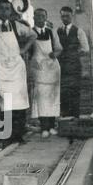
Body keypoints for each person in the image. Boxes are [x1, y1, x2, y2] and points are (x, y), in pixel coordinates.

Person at [0, 0, 36, 145]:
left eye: (7, 9)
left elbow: (33, 35)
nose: (4, 11)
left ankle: (18, 135)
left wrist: (23, 49)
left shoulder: (16, 25)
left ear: (11, 11)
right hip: (0, 68)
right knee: (3, 101)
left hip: (16, 68)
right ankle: (4, 136)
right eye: (1, 8)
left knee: (19, 102)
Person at [30, 8, 63, 139]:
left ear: (46, 18)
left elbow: (59, 48)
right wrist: (32, 64)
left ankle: (51, 126)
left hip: (52, 66)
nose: (40, 18)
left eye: (43, 16)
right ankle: (44, 127)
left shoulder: (51, 32)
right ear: (34, 18)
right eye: (37, 16)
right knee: (42, 97)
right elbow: (27, 51)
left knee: (53, 96)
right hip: (39, 67)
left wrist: (55, 54)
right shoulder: (30, 33)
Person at [57, 6, 90, 118]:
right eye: (63, 16)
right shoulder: (58, 31)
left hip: (74, 68)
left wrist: (73, 55)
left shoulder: (78, 31)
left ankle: (75, 119)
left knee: (74, 93)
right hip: (62, 68)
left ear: (72, 16)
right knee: (63, 94)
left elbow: (86, 49)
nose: (65, 18)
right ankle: (65, 121)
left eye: (67, 16)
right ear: (60, 17)